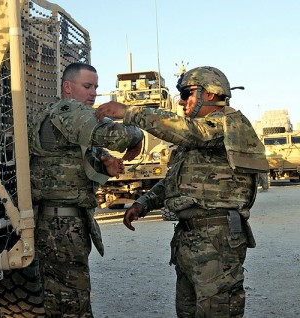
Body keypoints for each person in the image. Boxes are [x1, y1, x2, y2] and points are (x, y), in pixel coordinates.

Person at [95, 66, 269, 317]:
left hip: (216, 238)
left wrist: (130, 113)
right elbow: (173, 181)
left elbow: (190, 132)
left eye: (188, 93)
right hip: (190, 238)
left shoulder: (228, 124)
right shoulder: (196, 139)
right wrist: (143, 203)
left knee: (216, 311)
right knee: (187, 310)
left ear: (210, 94)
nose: (182, 100)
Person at [29, 62, 144, 317]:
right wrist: (137, 132)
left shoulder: (59, 115)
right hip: (62, 224)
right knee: (72, 301)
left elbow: (72, 151)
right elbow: (118, 136)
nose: (93, 93)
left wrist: (103, 160)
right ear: (68, 87)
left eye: (96, 87)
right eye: (87, 86)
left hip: (59, 221)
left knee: (64, 297)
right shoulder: (69, 111)